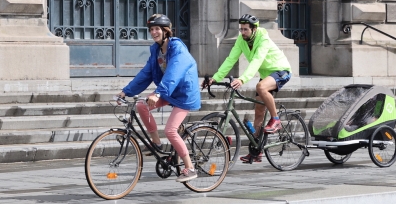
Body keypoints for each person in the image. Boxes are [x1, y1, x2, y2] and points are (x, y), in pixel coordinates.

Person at [117, 14, 201, 182]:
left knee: (170, 130)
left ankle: (190, 167)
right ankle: (156, 143)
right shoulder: (155, 50)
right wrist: (126, 91)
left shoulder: (177, 48)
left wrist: (157, 93)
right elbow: (146, 73)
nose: (154, 32)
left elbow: (174, 72)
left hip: (184, 93)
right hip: (168, 91)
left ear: (166, 31)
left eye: (157, 29)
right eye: (151, 29)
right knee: (141, 105)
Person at [202, 14, 291, 163]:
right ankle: (257, 150)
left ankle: (276, 120)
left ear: (254, 29)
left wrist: (243, 79)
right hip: (266, 74)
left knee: (261, 87)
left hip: (280, 70)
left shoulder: (263, 39)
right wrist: (215, 78)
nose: (242, 32)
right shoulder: (241, 40)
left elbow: (257, 61)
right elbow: (230, 59)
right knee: (258, 113)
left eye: (245, 29)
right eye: (241, 29)